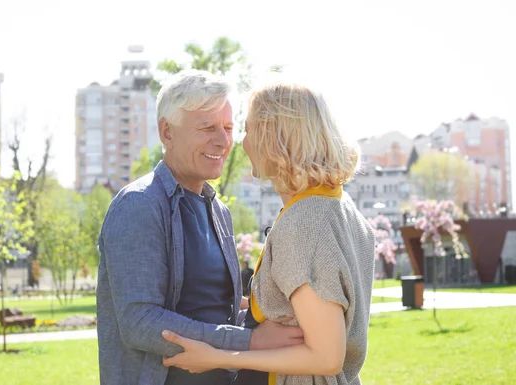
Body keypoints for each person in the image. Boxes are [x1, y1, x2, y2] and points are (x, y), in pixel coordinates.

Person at [96, 70, 304, 385]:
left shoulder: (219, 211)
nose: (222, 141)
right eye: (207, 127)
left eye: (229, 127)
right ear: (167, 132)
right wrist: (250, 341)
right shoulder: (138, 205)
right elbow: (140, 322)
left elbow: (217, 313)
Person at [162, 81, 376, 385]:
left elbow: (326, 357)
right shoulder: (339, 207)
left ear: (275, 137)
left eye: (247, 130)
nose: (241, 143)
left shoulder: (304, 222)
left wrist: (217, 356)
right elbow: (304, 312)